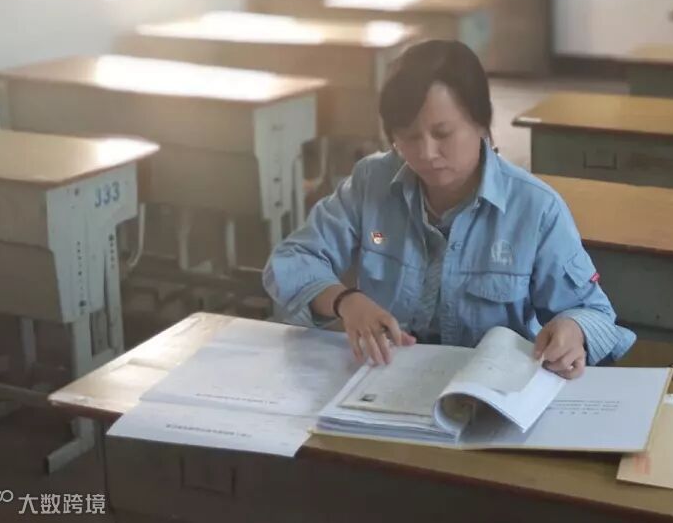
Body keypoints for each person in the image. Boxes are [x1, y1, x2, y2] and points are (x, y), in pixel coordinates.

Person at [263, 39, 635, 379]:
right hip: (386, 380)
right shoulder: (371, 182)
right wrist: (345, 301)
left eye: (442, 134)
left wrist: (574, 331)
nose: (426, 153)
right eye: (408, 136)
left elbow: (597, 314)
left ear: (481, 122)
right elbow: (291, 259)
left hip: (487, 392)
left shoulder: (535, 209)